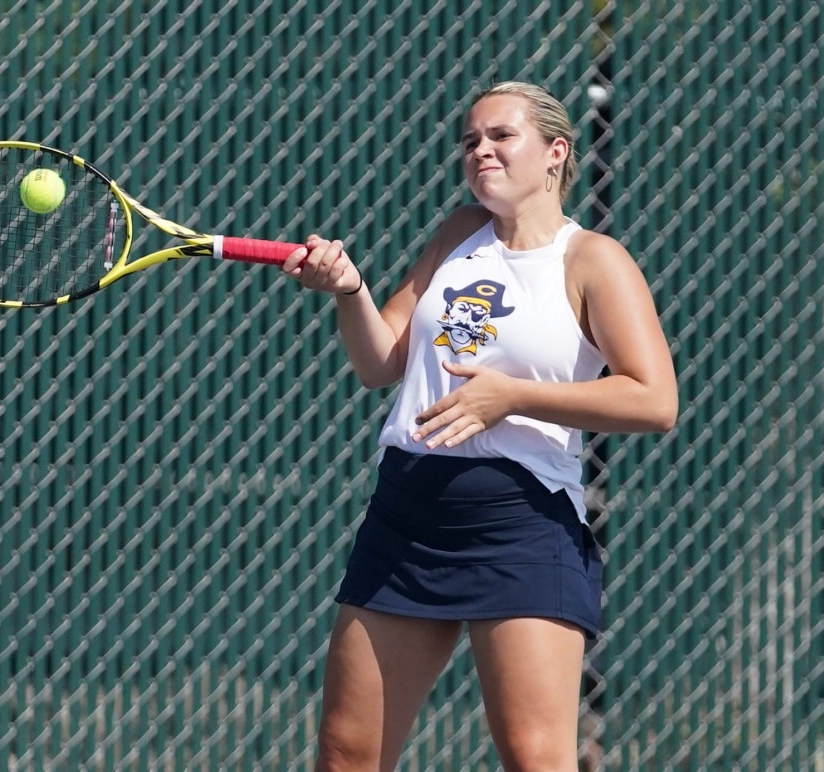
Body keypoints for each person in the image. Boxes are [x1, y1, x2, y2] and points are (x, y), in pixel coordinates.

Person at [282, 81, 678, 771]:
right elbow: (382, 362)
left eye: (500, 136)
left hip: (520, 525)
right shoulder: (459, 233)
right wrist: (351, 291)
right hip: (406, 516)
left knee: (534, 758)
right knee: (347, 754)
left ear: (555, 152)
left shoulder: (593, 261)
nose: (480, 151)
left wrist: (512, 398)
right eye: (470, 141)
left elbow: (654, 400)